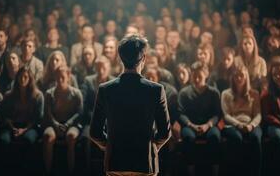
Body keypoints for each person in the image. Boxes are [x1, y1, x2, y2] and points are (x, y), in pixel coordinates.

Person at [90, 34, 171, 176]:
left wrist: (111, 147)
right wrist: (151, 148)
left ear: (120, 59)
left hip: (116, 163)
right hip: (145, 164)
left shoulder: (105, 89)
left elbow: (94, 132)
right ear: (143, 59)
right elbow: (165, 133)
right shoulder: (156, 90)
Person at [177, 61, 221, 175]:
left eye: (199, 76)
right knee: (188, 138)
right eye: (194, 76)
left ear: (206, 75)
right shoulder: (184, 93)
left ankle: (215, 171)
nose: (196, 79)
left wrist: (208, 125)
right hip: (190, 125)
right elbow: (180, 113)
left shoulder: (214, 93)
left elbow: (217, 114)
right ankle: (191, 171)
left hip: (209, 125)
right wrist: (191, 125)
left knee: (215, 137)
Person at [221, 65, 262, 176]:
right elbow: (226, 115)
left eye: (241, 75)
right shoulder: (225, 94)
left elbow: (258, 114)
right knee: (236, 138)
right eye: (236, 76)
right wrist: (238, 125)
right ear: (232, 78)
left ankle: (255, 172)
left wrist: (251, 125)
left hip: (251, 124)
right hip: (233, 125)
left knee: (256, 137)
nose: (239, 78)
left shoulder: (254, 93)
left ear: (246, 77)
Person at [43, 65, 83, 175]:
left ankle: (71, 171)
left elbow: (79, 113)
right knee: (48, 136)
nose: (60, 80)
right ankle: (48, 171)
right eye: (57, 77)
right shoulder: (49, 93)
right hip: (54, 124)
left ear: (68, 76)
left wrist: (68, 124)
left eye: (63, 77)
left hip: (72, 125)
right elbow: (48, 113)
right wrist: (56, 124)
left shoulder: (76, 93)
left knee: (71, 136)